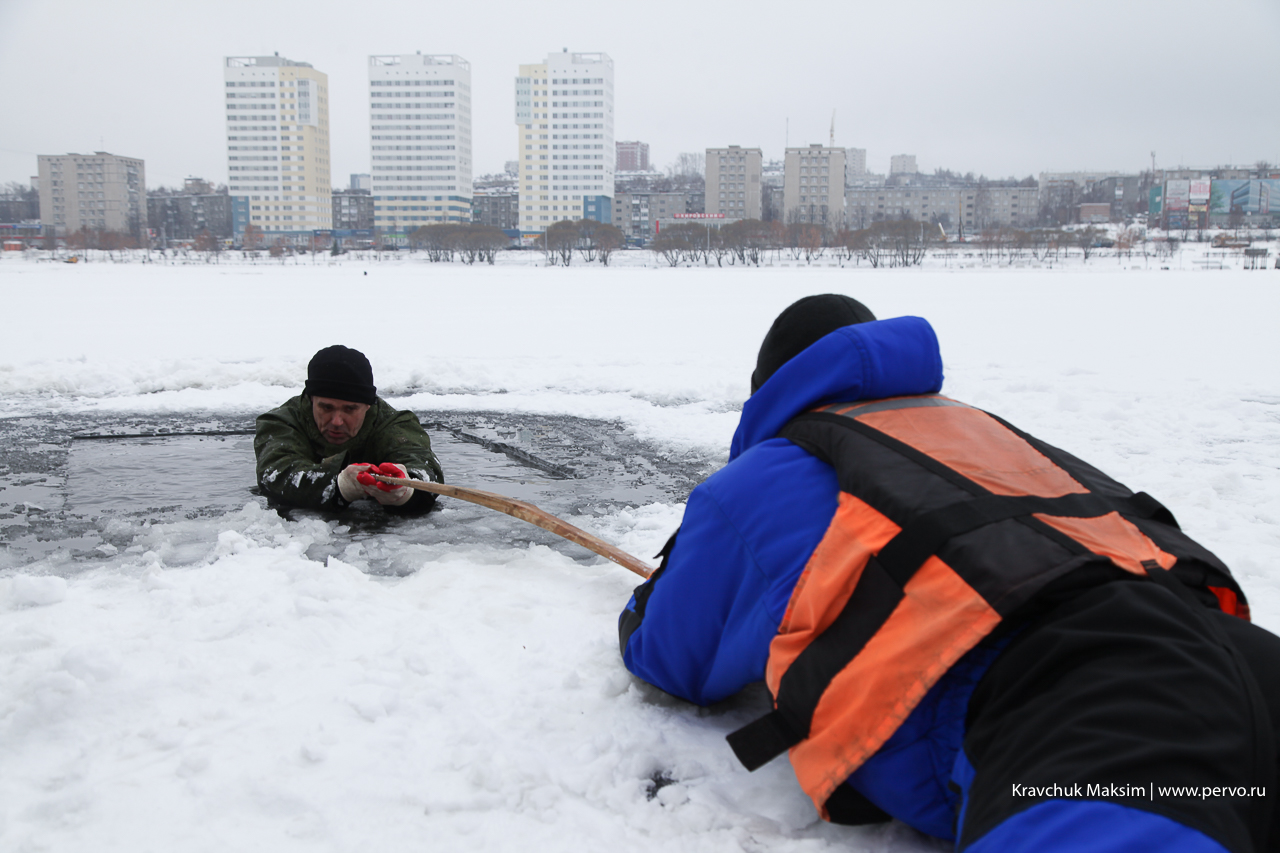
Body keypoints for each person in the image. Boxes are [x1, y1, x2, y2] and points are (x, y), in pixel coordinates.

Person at [619, 295, 1279, 852]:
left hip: (1071, 691)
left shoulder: (764, 474)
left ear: (770, 389)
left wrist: (649, 598)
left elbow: (673, 658)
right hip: (1222, 646)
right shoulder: (973, 428)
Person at [255, 344, 444, 513]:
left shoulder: (394, 424)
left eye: (350, 409)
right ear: (311, 399)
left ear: (368, 405)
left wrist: (406, 489)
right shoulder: (281, 422)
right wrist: (340, 486)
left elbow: (422, 464)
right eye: (326, 407)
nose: (337, 421)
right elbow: (276, 474)